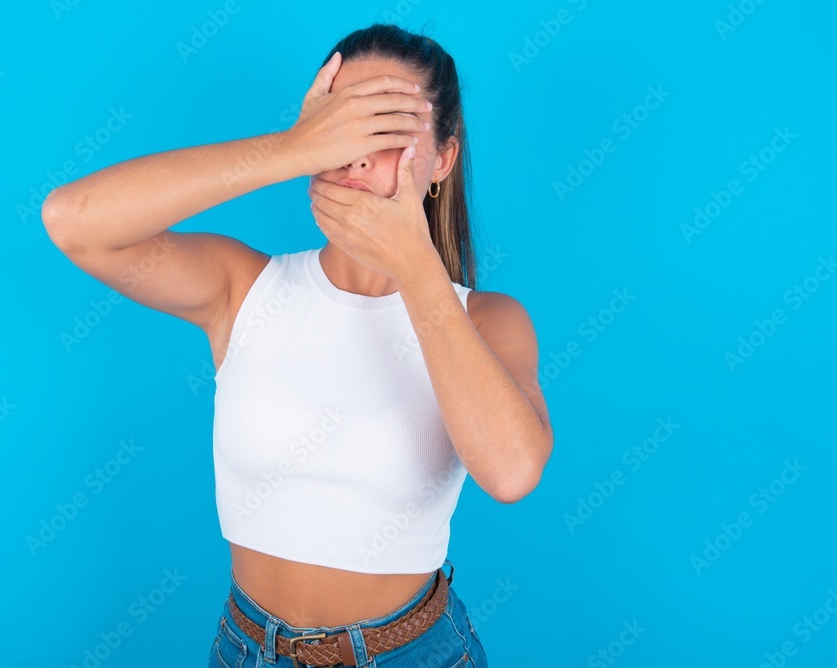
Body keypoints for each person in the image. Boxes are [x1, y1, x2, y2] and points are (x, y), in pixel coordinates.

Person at [42, 22, 552, 668]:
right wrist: (291, 148)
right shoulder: (242, 288)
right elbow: (73, 221)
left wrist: (416, 266)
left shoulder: (488, 320)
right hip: (249, 649)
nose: (359, 156)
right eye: (344, 127)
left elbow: (510, 472)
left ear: (443, 160)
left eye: (387, 131)